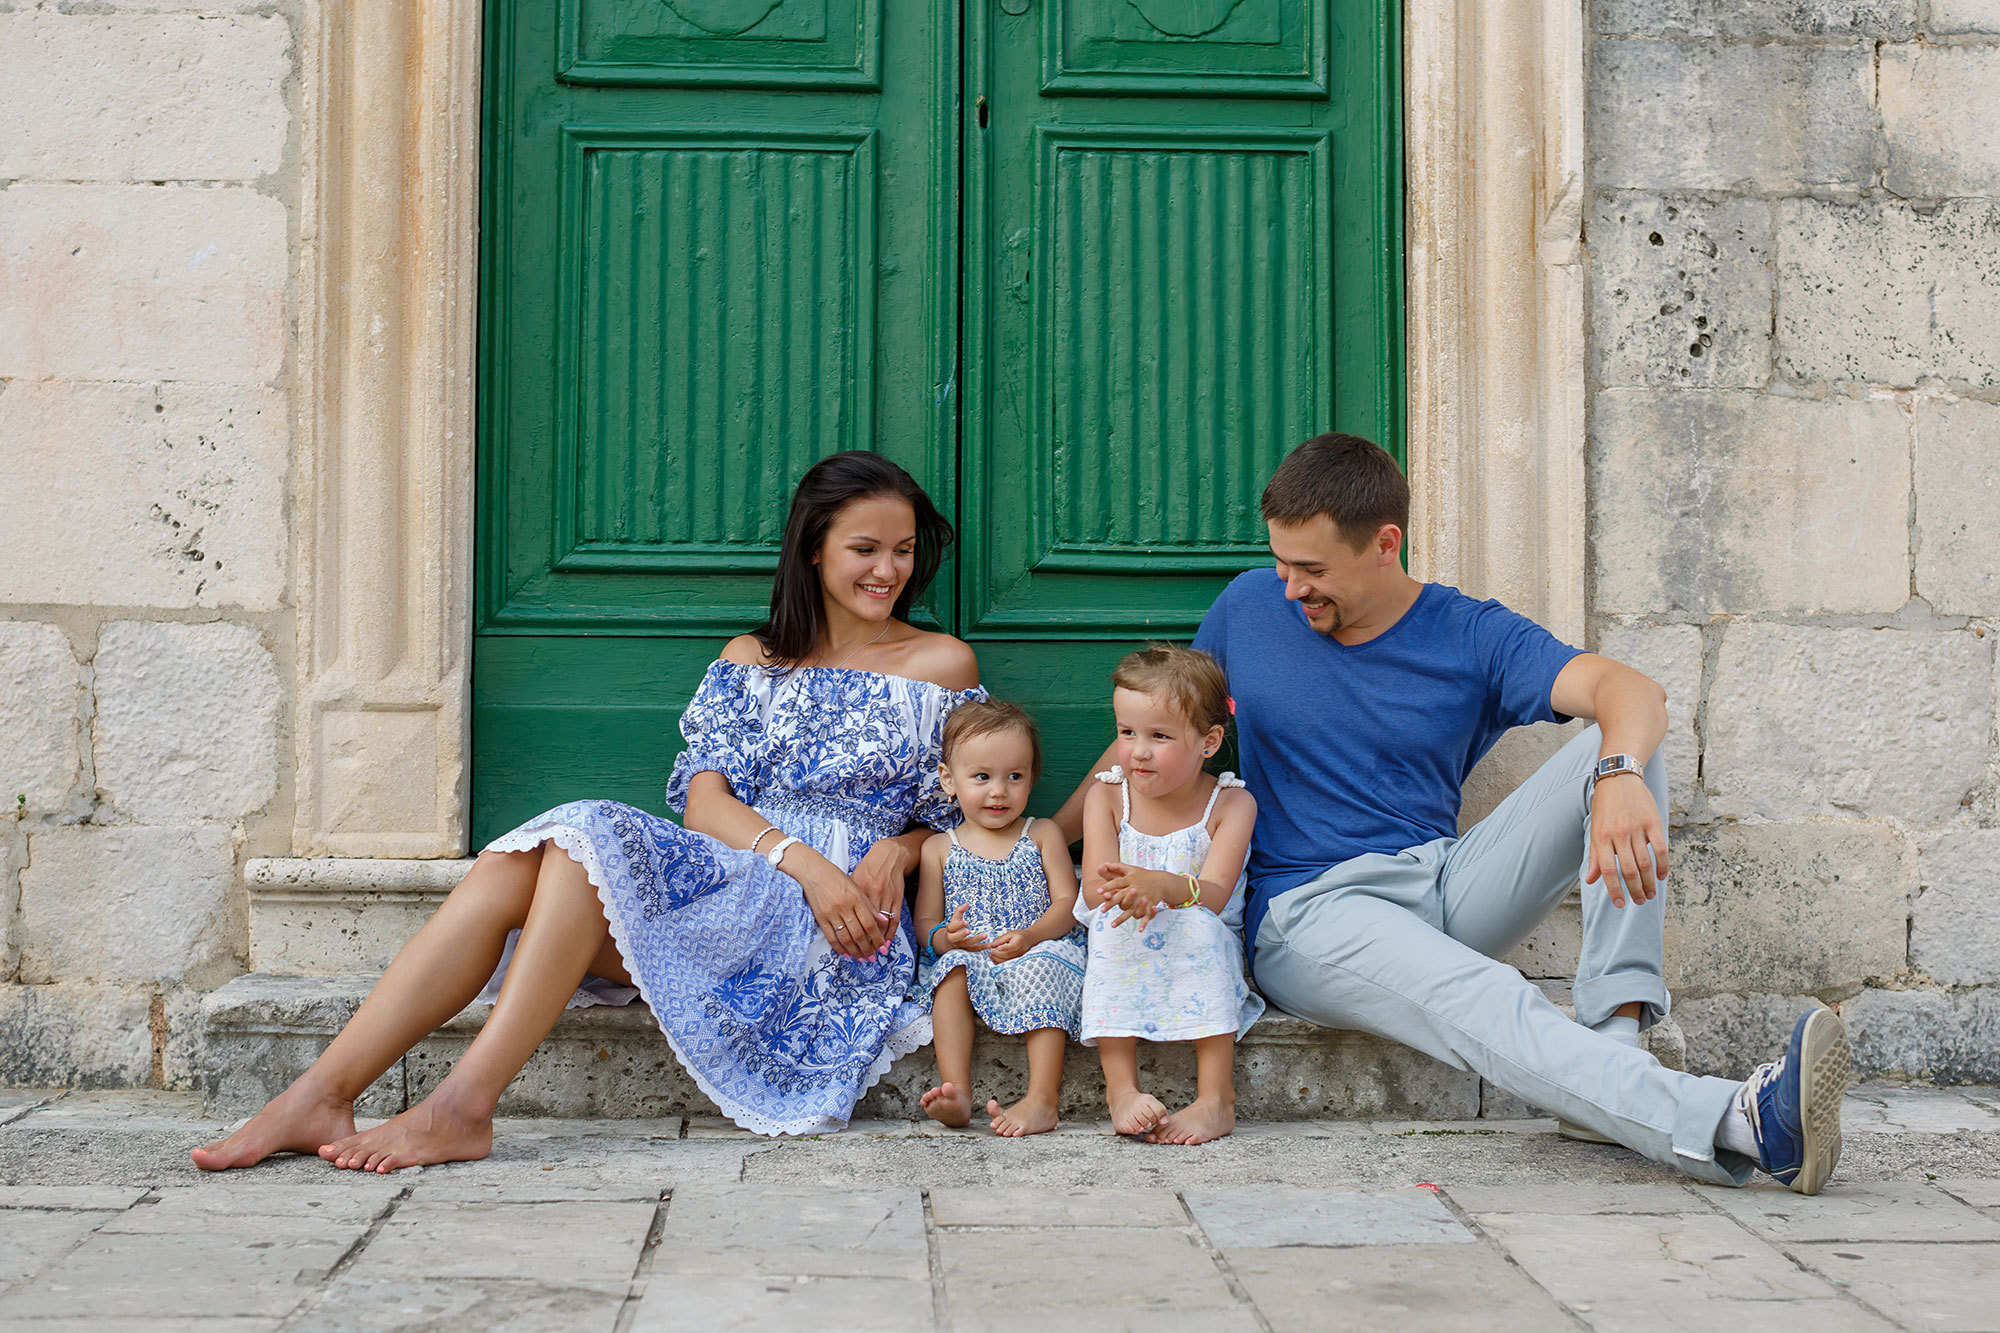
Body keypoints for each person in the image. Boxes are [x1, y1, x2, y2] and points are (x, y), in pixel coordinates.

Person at [1057, 433, 1848, 1195]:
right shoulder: (1249, 607)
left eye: (1312, 569)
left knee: (1623, 750)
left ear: (1385, 543)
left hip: (1442, 882)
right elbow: (1157, 733)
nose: (1291, 587)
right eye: (1281, 563)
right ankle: (1741, 1125)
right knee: (1489, 995)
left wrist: (1618, 773)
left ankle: (1612, 1044)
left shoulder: (1467, 632)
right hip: (1310, 911)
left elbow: (1632, 690)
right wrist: (1049, 844)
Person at [193, 451, 983, 1172]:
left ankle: (455, 1107)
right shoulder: (752, 660)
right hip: (749, 878)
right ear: (814, 548)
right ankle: (324, 1093)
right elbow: (705, 803)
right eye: (865, 548)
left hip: (841, 932)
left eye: (903, 550)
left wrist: (903, 847)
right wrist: (803, 863)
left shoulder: (940, 663)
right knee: (537, 859)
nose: (888, 570)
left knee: (575, 849)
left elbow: (966, 806)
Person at [1075, 645, 1264, 1146]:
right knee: (1109, 926)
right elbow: (1095, 889)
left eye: (1159, 736)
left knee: (1198, 925)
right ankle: (1121, 1090)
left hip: (1200, 936)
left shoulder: (1231, 803)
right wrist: (1127, 895)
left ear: (1209, 741)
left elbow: (1215, 896)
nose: (1138, 751)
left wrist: (1162, 887)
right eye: (1126, 732)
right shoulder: (1106, 796)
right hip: (1127, 926)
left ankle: (1216, 1097)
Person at [913, 701, 1087, 1137]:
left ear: (1031, 779)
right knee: (951, 972)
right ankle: (957, 1092)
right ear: (948, 780)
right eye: (982, 777)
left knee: (1047, 965)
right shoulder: (939, 848)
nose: (999, 791)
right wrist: (947, 938)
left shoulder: (1042, 834)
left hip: (1037, 946)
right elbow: (926, 923)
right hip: (973, 955)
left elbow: (1067, 903)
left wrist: (1031, 936)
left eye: (1014, 776)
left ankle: (1042, 1099)